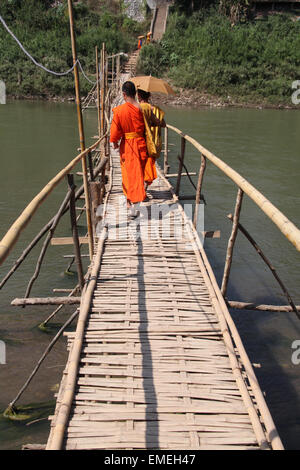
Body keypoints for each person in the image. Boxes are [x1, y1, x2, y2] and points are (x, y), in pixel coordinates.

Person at [110, 81, 148, 218]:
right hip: (141, 145)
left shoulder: (120, 111)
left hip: (127, 146)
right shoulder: (143, 108)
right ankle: (135, 204)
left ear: (124, 94)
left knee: (127, 175)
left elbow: (114, 132)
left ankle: (129, 204)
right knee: (138, 175)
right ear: (136, 94)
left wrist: (114, 142)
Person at [137, 88, 166, 189]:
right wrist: (152, 122)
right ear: (149, 96)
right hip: (152, 141)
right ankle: (144, 188)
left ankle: (140, 189)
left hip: (138, 140)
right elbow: (163, 124)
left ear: (138, 96)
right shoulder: (155, 109)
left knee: (139, 165)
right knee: (148, 165)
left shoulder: (136, 108)